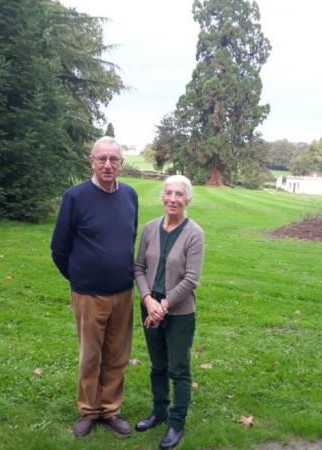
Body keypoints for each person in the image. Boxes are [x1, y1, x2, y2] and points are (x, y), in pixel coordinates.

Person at [50, 136, 138, 438]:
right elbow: (59, 248)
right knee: (91, 355)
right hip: (88, 293)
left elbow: (129, 237)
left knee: (117, 354)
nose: (108, 165)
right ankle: (89, 411)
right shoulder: (75, 196)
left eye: (114, 159)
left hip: (123, 292)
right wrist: (79, 278)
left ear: (121, 164)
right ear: (92, 161)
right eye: (102, 159)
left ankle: (111, 409)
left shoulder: (130, 196)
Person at [134, 175, 205, 449]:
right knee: (158, 365)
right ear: (162, 196)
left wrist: (162, 306)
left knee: (178, 369)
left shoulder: (194, 233)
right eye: (169, 193)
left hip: (179, 313)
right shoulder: (150, 228)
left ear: (188, 199)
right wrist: (148, 299)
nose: (173, 199)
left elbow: (191, 279)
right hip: (149, 307)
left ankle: (177, 423)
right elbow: (139, 268)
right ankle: (159, 412)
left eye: (179, 194)